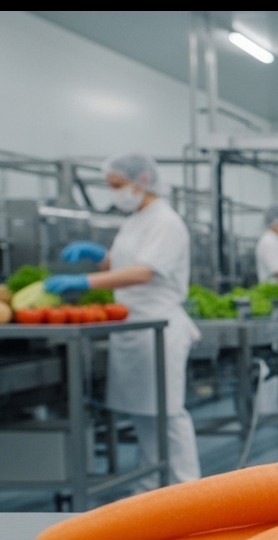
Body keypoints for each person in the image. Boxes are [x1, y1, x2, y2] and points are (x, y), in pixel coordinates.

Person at [44, 152, 203, 487]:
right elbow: (121, 263)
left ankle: (188, 486)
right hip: (132, 325)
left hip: (158, 325)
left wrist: (83, 282)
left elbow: (144, 271)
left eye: (117, 185)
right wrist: (99, 256)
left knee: (168, 413)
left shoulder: (166, 221)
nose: (113, 192)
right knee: (143, 413)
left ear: (142, 180)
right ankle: (151, 486)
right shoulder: (135, 220)